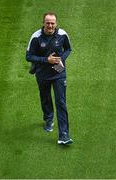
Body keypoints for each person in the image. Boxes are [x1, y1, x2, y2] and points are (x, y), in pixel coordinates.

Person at [26, 12, 73, 145]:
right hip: (42, 73)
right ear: (43, 23)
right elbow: (28, 56)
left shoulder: (62, 34)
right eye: (48, 23)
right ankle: (48, 119)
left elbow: (68, 49)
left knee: (61, 102)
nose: (50, 25)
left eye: (52, 23)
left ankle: (64, 135)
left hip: (58, 72)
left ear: (56, 23)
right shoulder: (36, 37)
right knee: (45, 97)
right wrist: (46, 60)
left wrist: (60, 60)